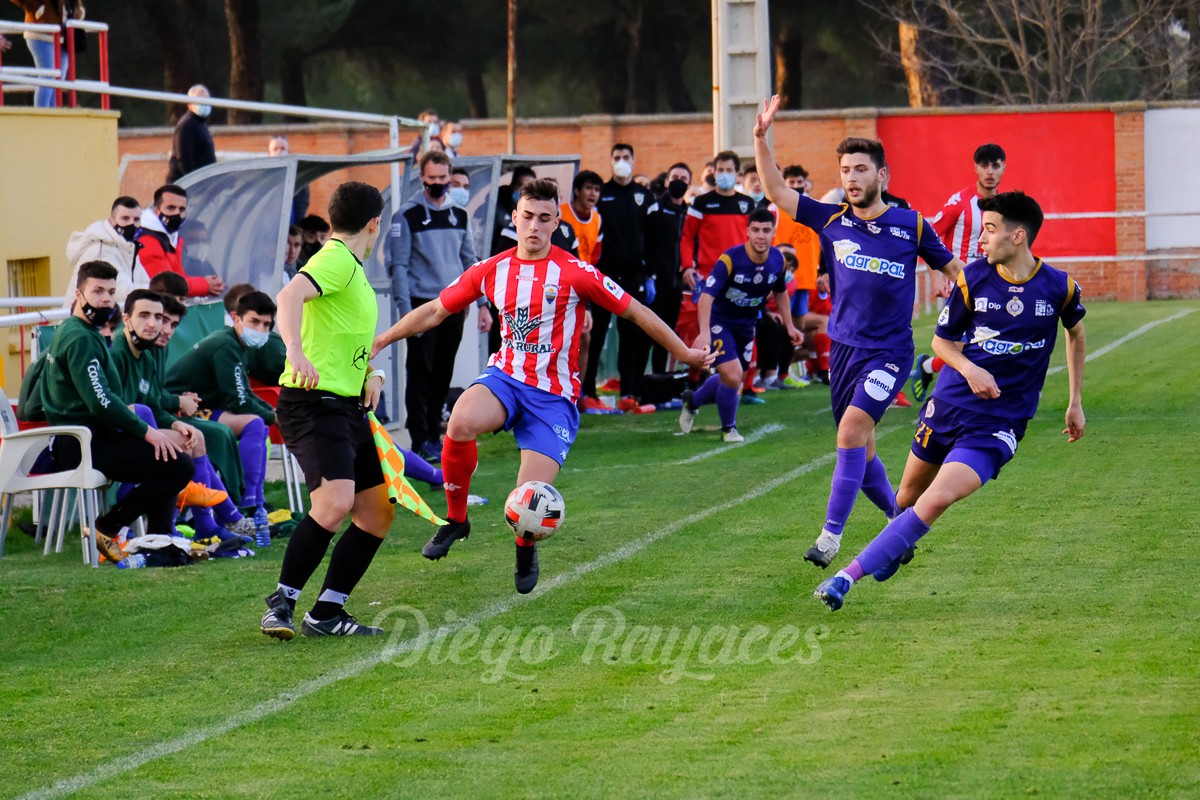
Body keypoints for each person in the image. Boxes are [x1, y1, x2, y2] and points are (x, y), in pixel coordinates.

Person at [371, 178, 714, 594]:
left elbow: (638, 312)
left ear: (556, 223)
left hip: (552, 398)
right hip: (506, 378)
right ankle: (457, 520)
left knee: (528, 497)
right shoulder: (491, 270)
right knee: (459, 421)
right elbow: (434, 311)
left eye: (545, 218)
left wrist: (686, 352)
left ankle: (524, 547)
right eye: (527, 216)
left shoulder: (576, 273)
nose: (534, 225)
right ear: (514, 218)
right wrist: (383, 339)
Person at [815, 191, 1086, 610]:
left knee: (936, 500)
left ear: (1018, 236)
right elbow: (941, 343)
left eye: (990, 230)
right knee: (905, 500)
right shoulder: (972, 279)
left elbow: (1076, 334)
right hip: (949, 405)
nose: (982, 240)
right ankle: (892, 546)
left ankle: (845, 578)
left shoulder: (1059, 288)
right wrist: (970, 369)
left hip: (999, 424)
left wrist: (1075, 401)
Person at [753, 95, 965, 570]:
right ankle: (898, 524)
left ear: (881, 175)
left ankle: (830, 537)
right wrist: (760, 139)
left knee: (850, 432)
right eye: (846, 169)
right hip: (843, 350)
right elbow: (778, 194)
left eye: (861, 169)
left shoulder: (910, 225)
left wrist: (981, 303)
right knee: (863, 448)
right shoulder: (830, 220)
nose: (851, 177)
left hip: (889, 352)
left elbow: (954, 269)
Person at [260, 180, 393, 640]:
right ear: (374, 224)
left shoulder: (348, 266)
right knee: (335, 503)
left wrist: (371, 373)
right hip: (313, 404)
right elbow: (288, 297)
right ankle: (282, 602)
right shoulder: (336, 259)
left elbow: (339, 337)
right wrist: (294, 352)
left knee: (376, 513)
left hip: (345, 405)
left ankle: (328, 613)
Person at [41, 262, 195, 563]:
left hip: (93, 438)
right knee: (176, 465)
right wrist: (147, 431)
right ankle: (109, 527)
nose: (105, 300)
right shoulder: (80, 337)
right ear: (79, 293)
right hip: (79, 444)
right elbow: (101, 402)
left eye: (111, 292)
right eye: (97, 291)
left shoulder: (87, 332)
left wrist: (161, 428)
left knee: (169, 460)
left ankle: (159, 543)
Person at [389, 150, 489, 463]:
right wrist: (406, 313)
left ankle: (434, 434)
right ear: (422, 178)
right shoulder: (406, 216)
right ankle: (420, 439)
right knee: (421, 371)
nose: (438, 185)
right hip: (421, 305)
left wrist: (482, 303)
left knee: (443, 372)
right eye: (431, 179)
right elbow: (399, 266)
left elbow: (469, 261)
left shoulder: (459, 215)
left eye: (443, 179)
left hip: (453, 304)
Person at [165, 291, 278, 542]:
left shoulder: (236, 343)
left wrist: (272, 413)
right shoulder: (226, 344)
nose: (260, 329)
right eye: (254, 322)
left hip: (202, 407)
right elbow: (237, 401)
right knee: (255, 423)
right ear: (236, 318)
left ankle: (251, 504)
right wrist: (273, 416)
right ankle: (248, 504)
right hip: (178, 409)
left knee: (258, 423)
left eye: (266, 324)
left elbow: (244, 393)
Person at [680, 208, 801, 442]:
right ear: (747, 231)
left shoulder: (777, 260)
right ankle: (729, 429)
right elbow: (706, 296)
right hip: (719, 321)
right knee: (733, 376)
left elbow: (780, 293)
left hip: (746, 324)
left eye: (766, 230)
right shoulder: (730, 259)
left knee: (733, 377)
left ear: (774, 232)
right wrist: (705, 332)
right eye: (755, 230)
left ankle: (692, 401)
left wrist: (790, 326)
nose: (760, 236)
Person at [580, 144, 653, 411]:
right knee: (596, 334)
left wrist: (649, 274)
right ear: (610, 162)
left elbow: (652, 238)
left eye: (626, 158)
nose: (621, 162)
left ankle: (629, 392)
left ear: (634, 162)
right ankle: (587, 391)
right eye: (617, 158)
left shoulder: (645, 196)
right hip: (604, 276)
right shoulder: (602, 194)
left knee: (631, 335)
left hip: (634, 276)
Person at [677, 150, 754, 351]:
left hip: (741, 276)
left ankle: (742, 377)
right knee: (702, 327)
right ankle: (697, 376)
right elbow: (686, 237)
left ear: (737, 174)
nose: (724, 174)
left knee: (742, 326)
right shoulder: (701, 203)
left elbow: (754, 240)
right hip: (707, 276)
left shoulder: (747, 204)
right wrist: (687, 267)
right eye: (720, 170)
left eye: (729, 170)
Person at [642, 162, 691, 374]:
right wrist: (648, 274)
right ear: (666, 181)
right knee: (645, 337)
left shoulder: (690, 214)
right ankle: (636, 387)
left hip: (676, 285)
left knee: (667, 336)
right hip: (655, 282)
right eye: (675, 177)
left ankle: (659, 381)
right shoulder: (655, 208)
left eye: (683, 179)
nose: (678, 182)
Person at [136, 184, 224, 299]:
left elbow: (179, 278)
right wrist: (205, 285)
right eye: (171, 208)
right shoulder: (147, 239)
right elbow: (166, 285)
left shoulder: (171, 238)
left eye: (181, 209)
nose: (177, 213)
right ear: (156, 211)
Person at [62, 196, 146, 309]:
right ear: (111, 221)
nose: (131, 224)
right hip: (83, 321)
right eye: (125, 218)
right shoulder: (101, 249)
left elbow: (145, 281)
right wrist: (159, 291)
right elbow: (120, 291)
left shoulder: (129, 249)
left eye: (136, 219)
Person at [931, 143, 1007, 264]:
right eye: (984, 165)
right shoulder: (959, 202)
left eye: (995, 166)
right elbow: (931, 236)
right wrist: (937, 278)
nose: (990, 172)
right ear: (976, 168)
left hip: (992, 280)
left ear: (1004, 168)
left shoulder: (1006, 205)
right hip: (960, 280)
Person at [9, 0, 80, 108]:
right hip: (40, 34)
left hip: (62, 37)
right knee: (48, 76)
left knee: (59, 79)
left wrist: (79, 12)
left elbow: (75, 9)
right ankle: (42, 114)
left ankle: (52, 115)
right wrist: (38, 8)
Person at [166, 85, 216, 183]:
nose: (204, 104)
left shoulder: (201, 124)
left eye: (206, 101)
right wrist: (195, 183)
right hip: (186, 187)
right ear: (190, 104)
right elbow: (184, 160)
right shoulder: (186, 125)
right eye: (200, 101)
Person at [561, 170, 603, 267]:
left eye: (597, 189)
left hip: (583, 275)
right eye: (589, 188)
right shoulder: (561, 213)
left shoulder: (597, 219)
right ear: (576, 191)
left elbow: (595, 254)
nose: (593, 193)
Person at [268, 135, 310, 224]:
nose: (279, 152)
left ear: (288, 151)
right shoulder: (265, 176)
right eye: (275, 149)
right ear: (269, 153)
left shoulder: (298, 175)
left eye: (282, 148)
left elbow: (302, 203)